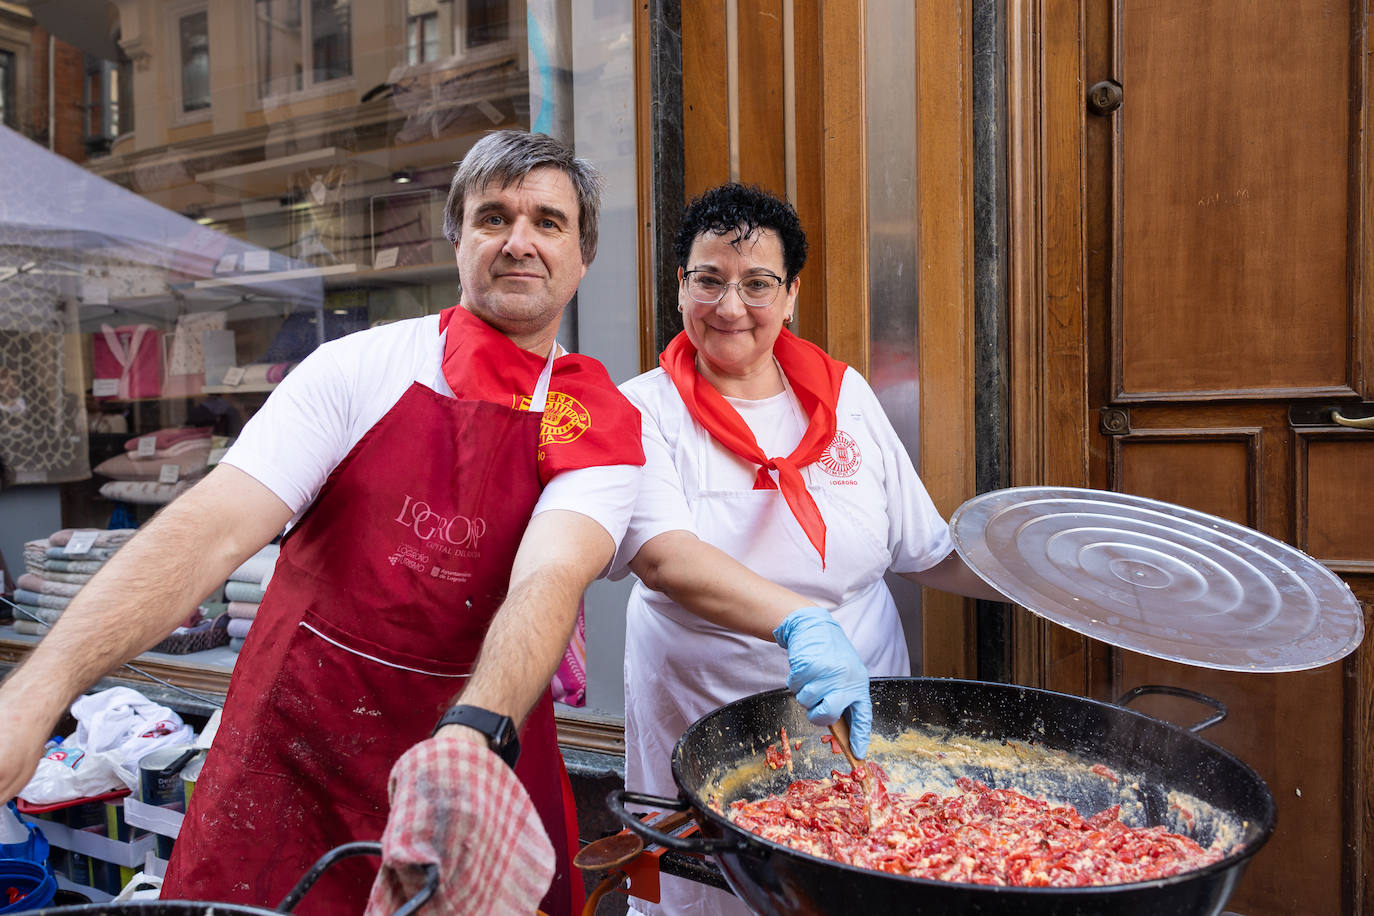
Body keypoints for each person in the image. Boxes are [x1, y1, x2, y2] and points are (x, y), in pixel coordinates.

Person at [0, 130, 645, 916]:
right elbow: (211, 528)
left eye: (548, 222)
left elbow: (550, 573)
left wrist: (471, 736)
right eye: (492, 217)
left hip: (475, 751)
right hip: (293, 755)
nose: (518, 242)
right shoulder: (356, 368)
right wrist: (38, 692)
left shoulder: (596, 420)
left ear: (583, 256)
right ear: (457, 238)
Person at [611, 183, 1005, 915]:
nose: (731, 306)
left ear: (791, 294)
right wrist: (802, 623)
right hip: (702, 705)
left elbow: (921, 548)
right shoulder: (641, 409)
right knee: (711, 891)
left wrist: (1044, 580)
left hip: (849, 706)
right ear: (680, 286)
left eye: (758, 284)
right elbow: (663, 556)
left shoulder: (844, 396)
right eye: (709, 280)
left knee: (854, 877)